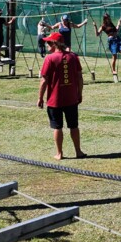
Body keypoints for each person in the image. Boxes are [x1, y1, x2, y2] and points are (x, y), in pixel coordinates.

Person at [37, 31, 87, 160]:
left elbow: (44, 80)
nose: (47, 44)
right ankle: (78, 151)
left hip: (55, 100)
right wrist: (79, 93)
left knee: (57, 127)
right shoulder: (73, 57)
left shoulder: (50, 58)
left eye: (48, 42)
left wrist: (40, 98)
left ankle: (59, 153)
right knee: (74, 125)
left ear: (54, 44)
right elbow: (80, 78)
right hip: (71, 99)